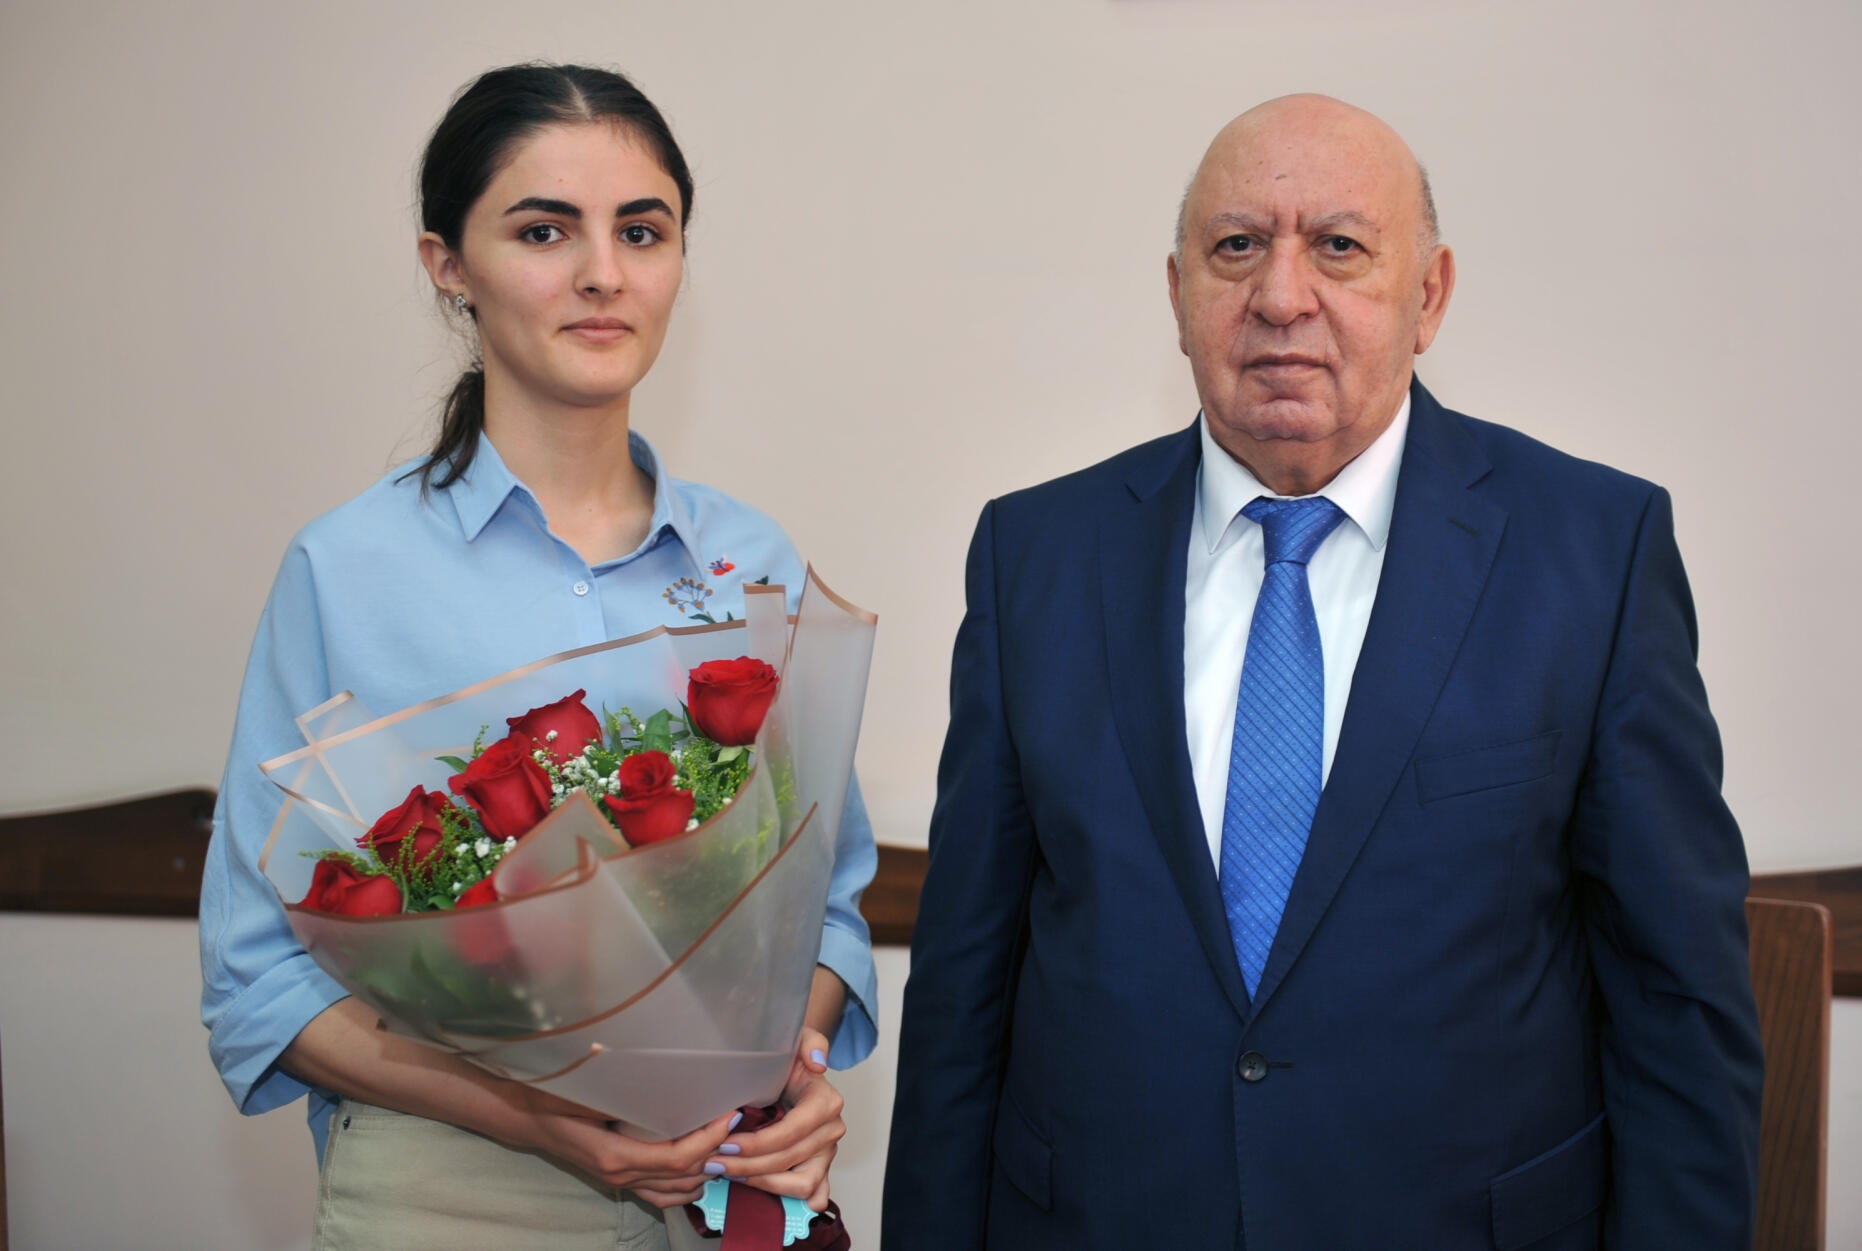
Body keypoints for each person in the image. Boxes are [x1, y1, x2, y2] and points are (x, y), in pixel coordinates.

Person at [884, 94, 1762, 1249]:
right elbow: (964, 990)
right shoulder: (1035, 555)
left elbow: (1676, 999)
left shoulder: (1593, 553)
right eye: (1236, 247)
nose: (1281, 296)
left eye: (1339, 246)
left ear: (1429, 295)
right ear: (1178, 294)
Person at [198, 64, 876, 1250]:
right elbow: (260, 976)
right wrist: (534, 1116)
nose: (604, 273)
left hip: (725, 1177)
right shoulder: (348, 570)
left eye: (642, 231)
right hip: (453, 1189)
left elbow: (825, 908)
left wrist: (792, 1063)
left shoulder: (754, 563)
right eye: (544, 231)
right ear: (447, 265)